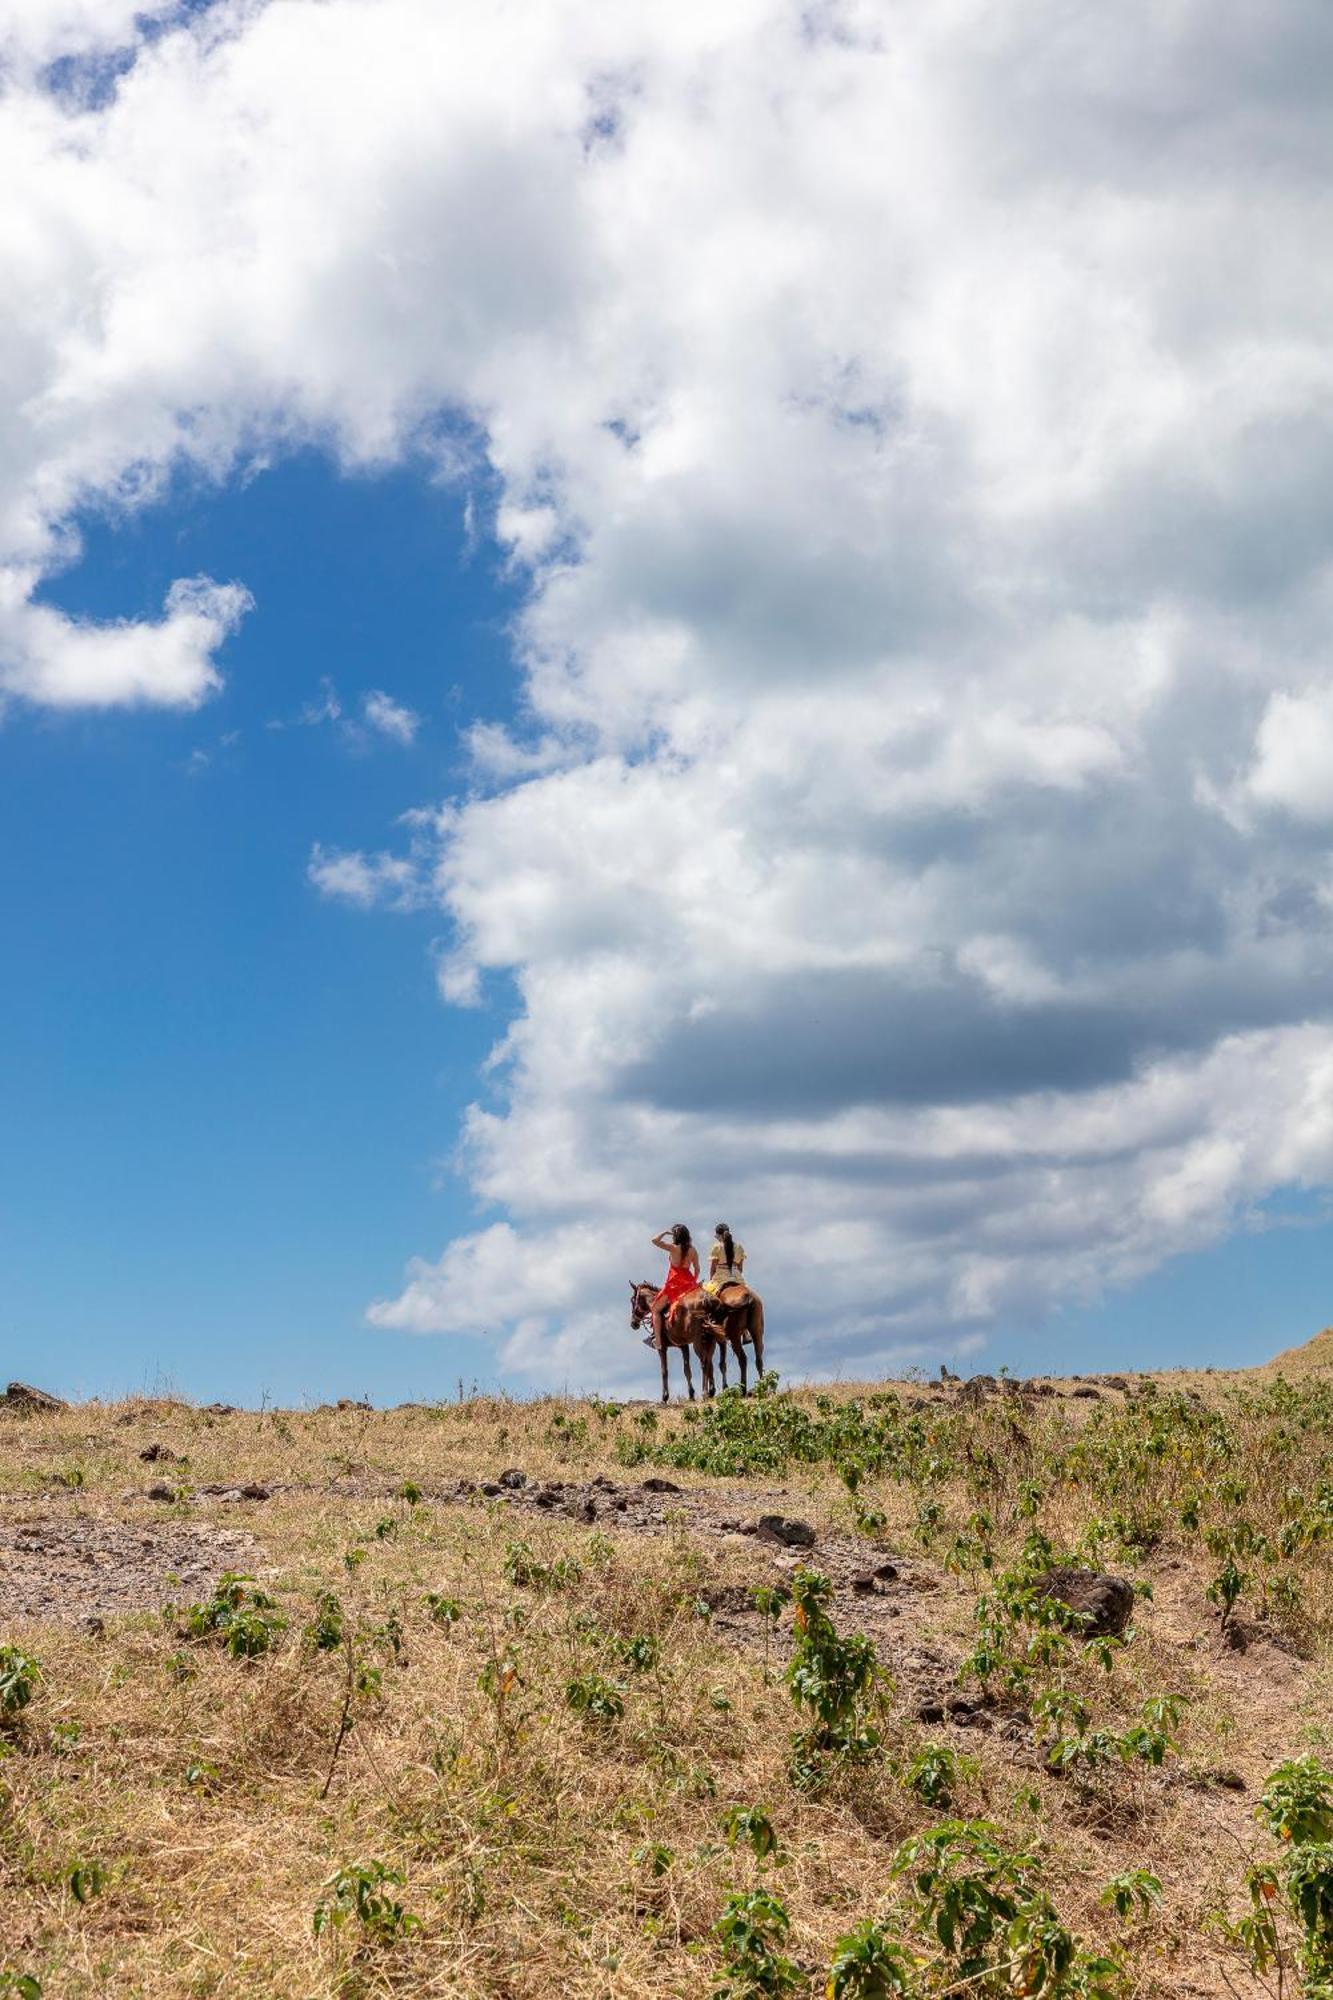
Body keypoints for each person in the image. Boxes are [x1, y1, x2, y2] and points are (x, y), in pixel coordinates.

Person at [646, 1223, 700, 1348]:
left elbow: (654, 1241)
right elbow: (697, 1269)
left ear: (676, 1236)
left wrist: (665, 1232)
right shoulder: (693, 1250)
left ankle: (658, 1342)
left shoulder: (673, 1248)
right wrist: (693, 1282)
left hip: (673, 1284)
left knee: (655, 1309)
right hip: (689, 1283)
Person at [704, 1221, 745, 1294]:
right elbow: (740, 1269)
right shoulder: (739, 1247)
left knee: (706, 1296)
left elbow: (713, 1269)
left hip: (720, 1277)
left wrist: (711, 1281)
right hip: (736, 1277)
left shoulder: (717, 1247)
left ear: (719, 1235)